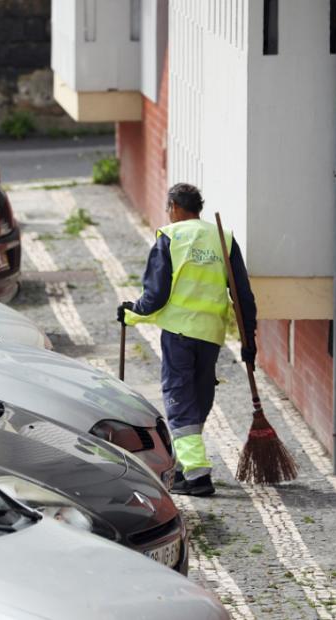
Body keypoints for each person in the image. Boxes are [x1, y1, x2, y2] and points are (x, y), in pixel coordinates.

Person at [117, 183, 257, 496]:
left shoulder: (170, 237)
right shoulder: (223, 238)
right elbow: (243, 296)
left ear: (175, 207)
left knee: (180, 400)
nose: (168, 213)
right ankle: (183, 467)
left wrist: (131, 312)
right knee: (199, 397)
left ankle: (197, 476)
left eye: (168, 208)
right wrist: (249, 340)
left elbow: (155, 296)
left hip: (179, 334)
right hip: (210, 335)